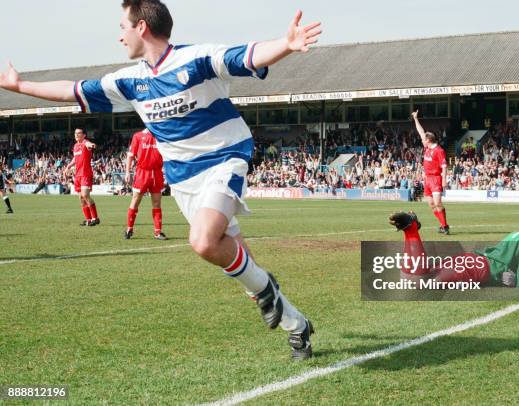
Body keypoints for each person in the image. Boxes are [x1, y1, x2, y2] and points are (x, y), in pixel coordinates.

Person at [0, 0, 322, 359]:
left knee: (202, 242)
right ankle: (297, 325)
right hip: (182, 181)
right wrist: (19, 85)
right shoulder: (128, 81)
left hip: (223, 160)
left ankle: (265, 290)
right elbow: (73, 91)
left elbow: (245, 57)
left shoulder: (195, 59)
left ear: (141, 27)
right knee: (232, 255)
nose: (119, 36)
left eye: (122, 27)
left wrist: (285, 44)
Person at [389, 209, 519, 288]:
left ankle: (410, 229)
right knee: (421, 281)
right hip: (477, 269)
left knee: (409, 278)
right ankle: (411, 229)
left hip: (474, 261)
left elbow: (505, 261)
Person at [411, 110, 450, 234]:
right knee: (431, 204)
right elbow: (421, 131)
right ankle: (443, 225)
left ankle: (444, 226)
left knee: (438, 203)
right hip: (427, 179)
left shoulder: (439, 150)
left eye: (424, 139)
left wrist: (444, 180)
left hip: (436, 178)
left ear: (429, 140)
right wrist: (416, 119)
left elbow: (444, 166)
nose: (422, 140)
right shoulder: (427, 147)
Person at [124, 128, 167, 240]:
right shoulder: (138, 136)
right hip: (142, 172)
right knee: (135, 200)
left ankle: (158, 232)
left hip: (157, 173)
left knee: (157, 203)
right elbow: (131, 155)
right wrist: (127, 172)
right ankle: (129, 229)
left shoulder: (162, 134)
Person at [63, 129, 100, 226]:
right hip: (78, 175)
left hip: (86, 174)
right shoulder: (75, 146)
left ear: (84, 135)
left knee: (85, 195)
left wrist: (92, 145)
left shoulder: (85, 142)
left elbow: (89, 144)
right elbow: (75, 158)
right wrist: (68, 166)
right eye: (75, 133)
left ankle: (95, 218)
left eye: (78, 133)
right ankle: (88, 219)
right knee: (81, 198)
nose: (76, 134)